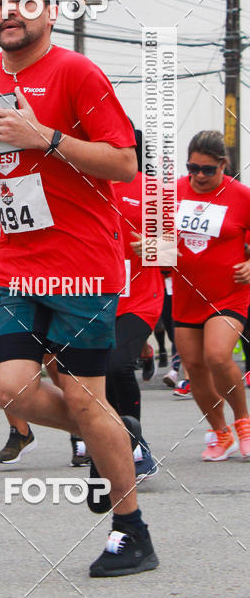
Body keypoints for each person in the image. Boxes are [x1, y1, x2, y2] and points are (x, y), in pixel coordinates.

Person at [0, 0, 157, 577]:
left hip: (79, 264)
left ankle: (131, 531)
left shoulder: (77, 72)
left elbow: (125, 164)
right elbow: (0, 168)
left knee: (81, 394)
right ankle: (110, 430)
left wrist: (44, 135)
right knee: (8, 385)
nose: (6, 11)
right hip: (17, 261)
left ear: (49, 9)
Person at [134, 130, 250, 460]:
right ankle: (220, 432)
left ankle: (243, 422)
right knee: (195, 368)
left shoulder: (241, 196)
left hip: (229, 294)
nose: (199, 176)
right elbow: (161, 242)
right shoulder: (172, 194)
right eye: (192, 168)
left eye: (208, 170)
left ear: (223, 165)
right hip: (187, 296)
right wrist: (150, 247)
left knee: (216, 355)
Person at [110, 126, 164, 480]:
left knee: (115, 366)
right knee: (89, 377)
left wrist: (156, 247)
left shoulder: (154, 191)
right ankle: (108, 444)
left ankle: (136, 446)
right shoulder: (83, 183)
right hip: (91, 297)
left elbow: (179, 254)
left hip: (138, 299)